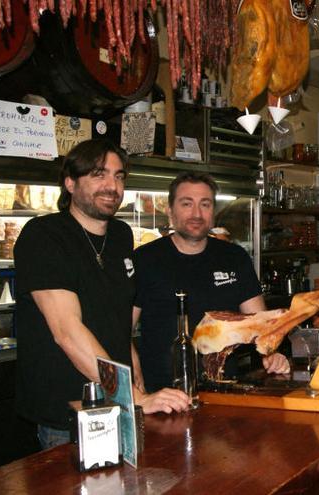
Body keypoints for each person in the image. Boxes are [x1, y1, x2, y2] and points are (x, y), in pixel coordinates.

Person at [14, 139, 190, 450]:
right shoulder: (44, 236)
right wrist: (135, 397)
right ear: (70, 182)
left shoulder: (121, 236)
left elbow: (118, 324)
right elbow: (67, 332)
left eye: (119, 176)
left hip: (119, 406)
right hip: (69, 416)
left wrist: (138, 385)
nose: (112, 186)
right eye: (98, 174)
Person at [133, 172, 289, 392]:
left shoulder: (234, 257)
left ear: (213, 212)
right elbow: (122, 331)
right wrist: (136, 383)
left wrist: (273, 355)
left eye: (205, 204)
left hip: (225, 390)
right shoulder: (145, 259)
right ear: (169, 211)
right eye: (187, 204)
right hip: (162, 394)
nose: (196, 213)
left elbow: (260, 326)